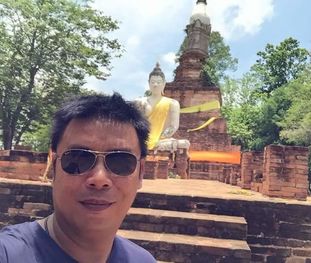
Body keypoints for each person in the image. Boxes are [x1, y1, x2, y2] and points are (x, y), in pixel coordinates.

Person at [0, 93, 156, 263]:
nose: (99, 179)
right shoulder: (9, 254)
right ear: (53, 168)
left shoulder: (142, 260)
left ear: (141, 173)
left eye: (120, 162)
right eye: (78, 158)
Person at [135, 62, 181, 150]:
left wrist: (160, 139)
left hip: (161, 140)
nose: (155, 85)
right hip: (142, 138)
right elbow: (135, 123)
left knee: (182, 143)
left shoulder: (173, 103)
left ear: (164, 84)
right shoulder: (140, 102)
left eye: (158, 82)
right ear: (148, 83)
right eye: (152, 82)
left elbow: (173, 126)